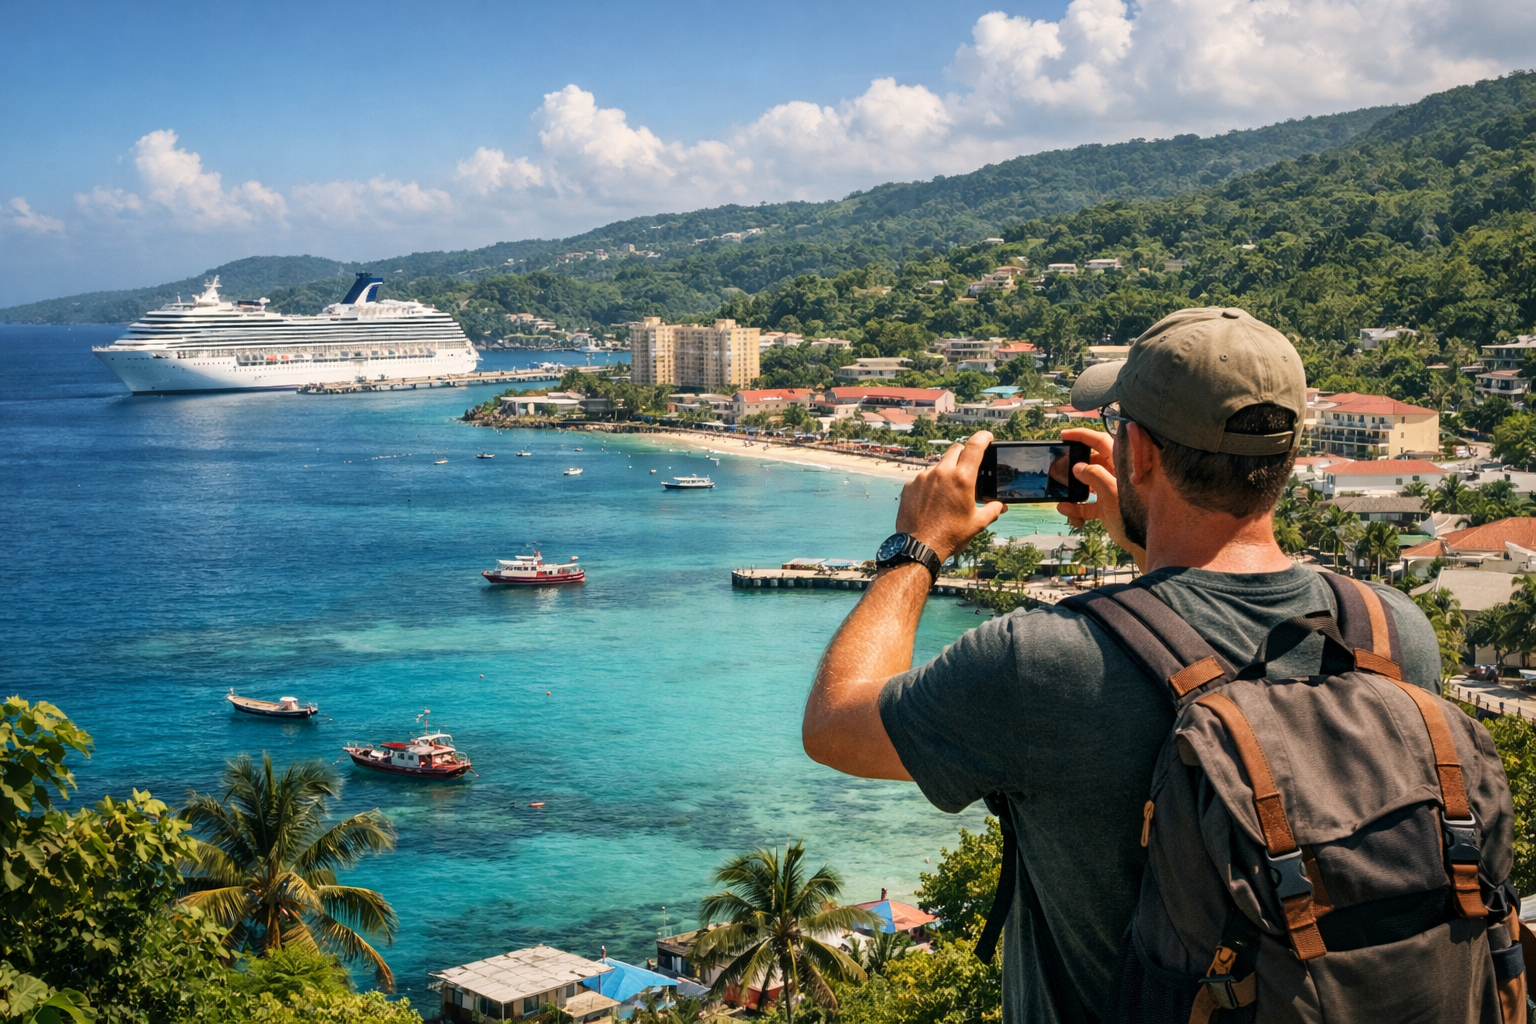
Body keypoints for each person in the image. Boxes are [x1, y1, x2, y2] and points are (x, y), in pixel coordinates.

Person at [801, 307, 1443, 1024]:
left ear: (1138, 452)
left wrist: (915, 548)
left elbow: (835, 722)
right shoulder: (1391, 634)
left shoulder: (1042, 662)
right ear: (1289, 453)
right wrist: (1145, 538)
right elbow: (1223, 646)